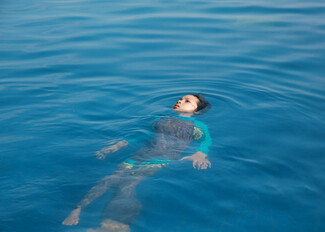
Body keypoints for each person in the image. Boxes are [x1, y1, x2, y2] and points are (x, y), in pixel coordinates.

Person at [62, 94, 212, 232]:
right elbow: (141, 137)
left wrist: (200, 154)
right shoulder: (160, 119)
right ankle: (78, 209)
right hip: (137, 157)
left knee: (128, 184)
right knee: (109, 180)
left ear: (196, 110)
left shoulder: (197, 126)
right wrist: (115, 146)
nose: (180, 101)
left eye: (187, 101)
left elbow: (205, 140)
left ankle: (116, 225)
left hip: (159, 160)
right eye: (180, 99)